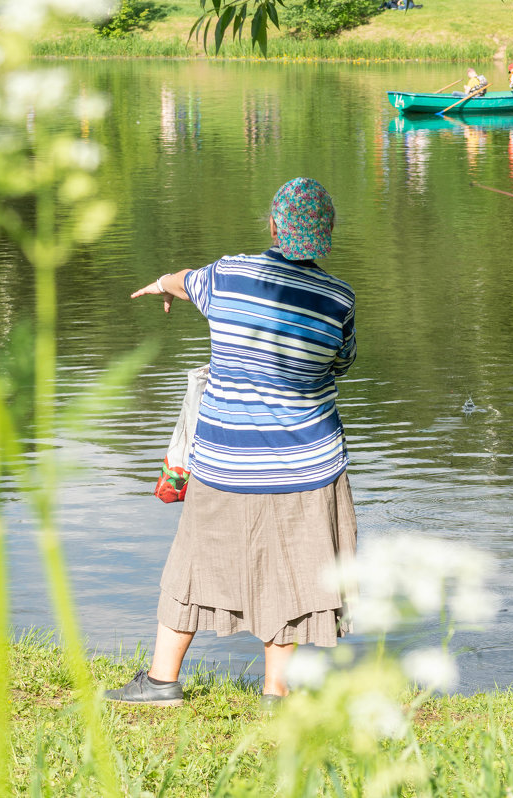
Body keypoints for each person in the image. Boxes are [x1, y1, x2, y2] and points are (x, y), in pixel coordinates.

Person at [106, 177, 358, 707]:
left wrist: (160, 284)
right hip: (306, 463)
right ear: (325, 237)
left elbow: (182, 280)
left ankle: (160, 681)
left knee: (193, 562)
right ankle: (275, 691)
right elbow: (343, 363)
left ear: (272, 226)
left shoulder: (227, 276)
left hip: (225, 459)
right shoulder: (339, 300)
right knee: (292, 572)